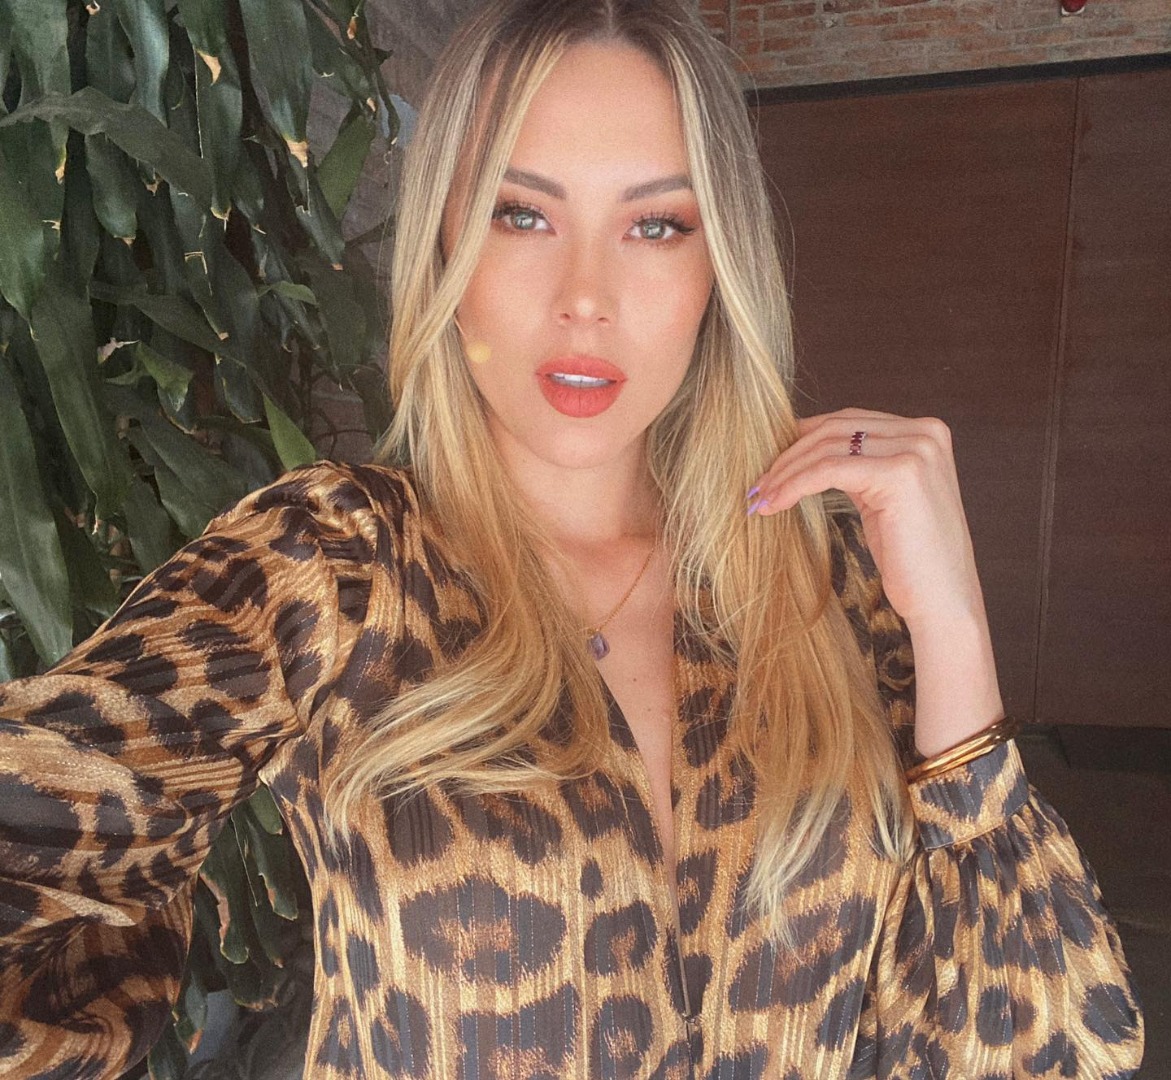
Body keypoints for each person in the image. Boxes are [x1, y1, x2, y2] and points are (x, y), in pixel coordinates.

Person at [0, 0, 1144, 1076]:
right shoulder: (334, 561)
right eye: (522, 213)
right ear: (447, 241)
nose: (585, 295)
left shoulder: (819, 579)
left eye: (655, 225)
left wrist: (952, 628)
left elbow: (1044, 1049)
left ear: (717, 266)